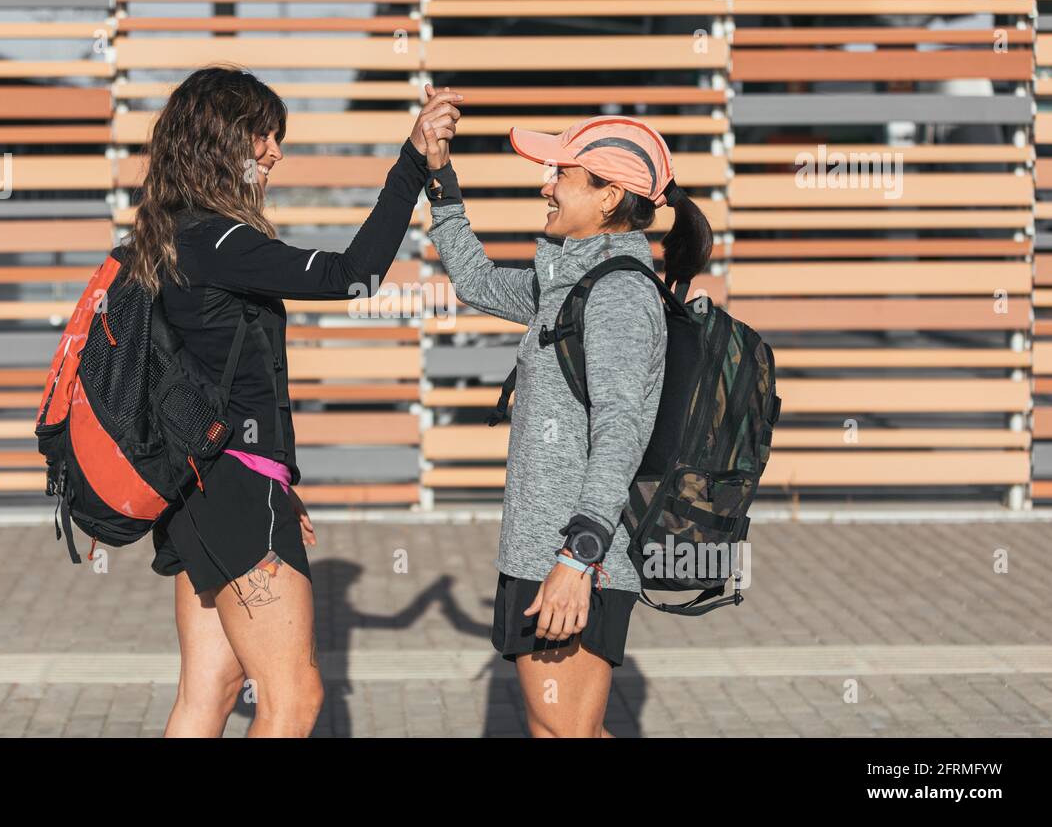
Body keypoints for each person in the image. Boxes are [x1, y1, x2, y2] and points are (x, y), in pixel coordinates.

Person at [124, 66, 462, 737]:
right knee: (294, 698)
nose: (274, 153)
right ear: (221, 141)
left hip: (196, 491)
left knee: (209, 693)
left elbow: (210, 380)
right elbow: (353, 275)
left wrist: (277, 480)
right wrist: (413, 164)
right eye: (263, 138)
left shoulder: (170, 236)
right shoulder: (222, 241)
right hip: (237, 491)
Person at [422, 114, 713, 737]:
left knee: (563, 733)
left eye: (562, 174)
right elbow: (474, 280)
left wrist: (577, 561)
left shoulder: (617, 297)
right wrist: (439, 177)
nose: (546, 186)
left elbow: (621, 438)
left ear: (609, 196)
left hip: (577, 555)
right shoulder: (567, 285)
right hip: (542, 547)